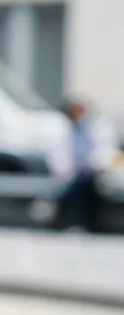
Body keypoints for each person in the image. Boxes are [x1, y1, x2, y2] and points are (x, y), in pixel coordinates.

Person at [60, 99, 119, 232]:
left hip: (98, 170)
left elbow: (104, 151)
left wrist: (89, 166)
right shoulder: (74, 127)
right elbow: (65, 151)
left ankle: (85, 224)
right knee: (78, 186)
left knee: (83, 187)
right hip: (80, 172)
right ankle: (79, 223)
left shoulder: (99, 124)